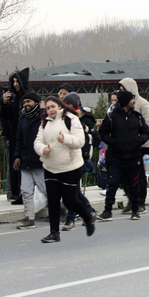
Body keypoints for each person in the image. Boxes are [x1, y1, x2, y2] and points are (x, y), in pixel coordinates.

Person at [33, 96, 96, 243]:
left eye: (53, 107)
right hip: (50, 167)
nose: (51, 110)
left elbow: (80, 141)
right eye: (48, 108)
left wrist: (65, 139)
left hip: (70, 167)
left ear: (59, 106)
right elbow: (37, 141)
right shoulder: (44, 123)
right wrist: (43, 149)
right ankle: (54, 233)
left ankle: (88, 217)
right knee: (53, 201)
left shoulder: (71, 119)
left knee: (69, 201)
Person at [98, 90, 149, 221]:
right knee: (112, 184)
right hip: (116, 157)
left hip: (134, 157)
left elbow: (146, 132)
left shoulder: (137, 117)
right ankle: (107, 211)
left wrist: (138, 142)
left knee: (134, 185)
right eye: (131, 99)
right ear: (125, 101)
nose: (134, 101)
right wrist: (113, 143)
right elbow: (103, 132)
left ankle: (135, 210)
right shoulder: (112, 116)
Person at [60, 92, 97, 231]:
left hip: (79, 160)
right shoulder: (62, 118)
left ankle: (70, 220)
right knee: (74, 192)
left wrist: (87, 155)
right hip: (66, 159)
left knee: (72, 192)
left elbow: (92, 138)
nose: (65, 107)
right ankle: (90, 211)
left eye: (68, 104)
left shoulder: (84, 118)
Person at [118, 78, 149, 212]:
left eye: (123, 89)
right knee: (124, 175)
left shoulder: (143, 104)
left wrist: (143, 143)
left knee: (140, 176)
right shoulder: (122, 106)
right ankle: (131, 199)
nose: (121, 92)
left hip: (140, 146)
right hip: (124, 148)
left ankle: (140, 202)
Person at [13, 92, 45, 230]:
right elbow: (19, 139)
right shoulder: (23, 118)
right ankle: (29, 218)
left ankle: (62, 210)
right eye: (24, 102)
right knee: (26, 191)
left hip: (39, 161)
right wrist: (17, 156)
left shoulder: (44, 117)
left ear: (36, 103)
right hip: (25, 161)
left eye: (29, 102)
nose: (26, 104)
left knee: (46, 190)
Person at [0, 68, 29, 204]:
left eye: (18, 81)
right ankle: (17, 193)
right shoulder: (14, 98)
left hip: (27, 137)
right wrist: (4, 103)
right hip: (15, 136)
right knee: (15, 166)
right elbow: (6, 117)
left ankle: (26, 195)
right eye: (14, 81)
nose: (15, 84)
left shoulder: (29, 96)